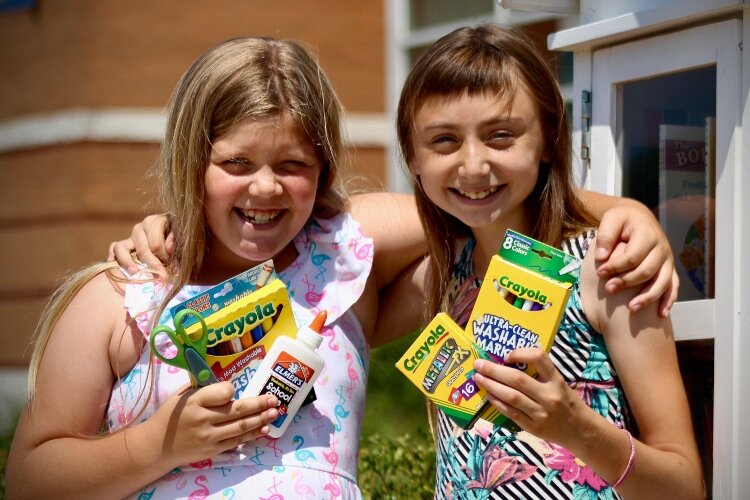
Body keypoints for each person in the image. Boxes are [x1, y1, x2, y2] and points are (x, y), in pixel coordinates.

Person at [8, 36, 677, 500]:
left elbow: (486, 191)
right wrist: (155, 445)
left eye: (292, 166)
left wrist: (629, 214)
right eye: (236, 164)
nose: (265, 189)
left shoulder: (339, 250)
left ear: (323, 171)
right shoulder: (121, 296)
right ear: (192, 160)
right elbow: (31, 481)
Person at [379, 23, 705, 499]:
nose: (473, 165)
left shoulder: (608, 267)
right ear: (413, 156)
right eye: (444, 140)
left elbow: (684, 486)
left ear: (550, 139)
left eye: (501, 135)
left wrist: (576, 429)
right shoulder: (444, 274)